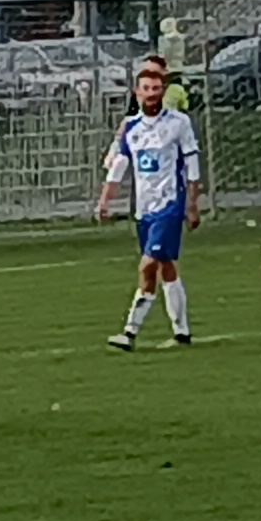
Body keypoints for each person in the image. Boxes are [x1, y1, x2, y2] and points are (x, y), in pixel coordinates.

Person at [91, 58, 201, 350]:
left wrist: (192, 203)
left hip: (170, 204)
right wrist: (104, 201)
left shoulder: (178, 123)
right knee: (165, 266)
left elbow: (192, 163)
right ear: (137, 92)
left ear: (163, 91)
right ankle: (182, 332)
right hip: (144, 208)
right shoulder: (131, 127)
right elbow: (119, 167)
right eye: (146, 89)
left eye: (156, 88)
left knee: (148, 264)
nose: (151, 94)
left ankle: (129, 332)